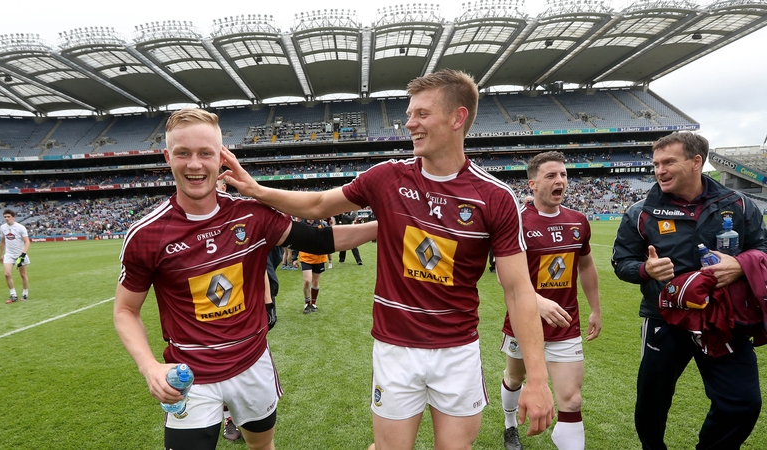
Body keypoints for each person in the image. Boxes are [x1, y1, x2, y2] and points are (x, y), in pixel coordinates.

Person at [220, 69, 554, 450]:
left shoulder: (494, 197)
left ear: (457, 118)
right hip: (395, 349)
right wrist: (255, 189)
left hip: (457, 351)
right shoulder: (387, 178)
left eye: (422, 114)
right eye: (409, 114)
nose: (409, 123)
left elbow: (518, 291)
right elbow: (318, 204)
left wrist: (537, 379)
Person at [113, 108, 376, 450]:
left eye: (205, 153)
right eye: (183, 153)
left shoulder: (251, 215)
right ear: (168, 157)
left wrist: (387, 226)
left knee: (262, 446)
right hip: (191, 377)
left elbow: (321, 239)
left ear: (222, 158)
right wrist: (149, 367)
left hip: (253, 366)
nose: (195, 164)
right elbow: (125, 310)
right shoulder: (146, 235)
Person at [611, 131, 766, 449]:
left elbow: (763, 247)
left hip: (723, 320)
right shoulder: (641, 211)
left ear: (696, 162)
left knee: (743, 402)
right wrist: (645, 270)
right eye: (656, 164)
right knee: (651, 403)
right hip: (664, 321)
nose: (660, 170)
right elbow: (621, 262)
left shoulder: (737, 204)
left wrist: (740, 265)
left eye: (669, 162)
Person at [500, 151, 601, 450]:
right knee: (515, 378)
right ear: (532, 184)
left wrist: (595, 309)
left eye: (563, 175)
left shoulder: (578, 221)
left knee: (572, 399)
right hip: (524, 320)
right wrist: (536, 301)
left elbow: (586, 265)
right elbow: (505, 276)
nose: (561, 180)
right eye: (551, 175)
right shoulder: (516, 221)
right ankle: (509, 424)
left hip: (565, 323)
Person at [0, 209, 31, 304]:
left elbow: (27, 241)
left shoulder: (20, 227)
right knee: (7, 274)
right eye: (5, 217)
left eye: (8, 217)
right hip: (9, 254)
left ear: (13, 217)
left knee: (23, 275)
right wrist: (1, 254)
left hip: (20, 254)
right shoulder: (2, 227)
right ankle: (13, 295)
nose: (6, 218)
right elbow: (2, 242)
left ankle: (25, 294)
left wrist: (23, 254)